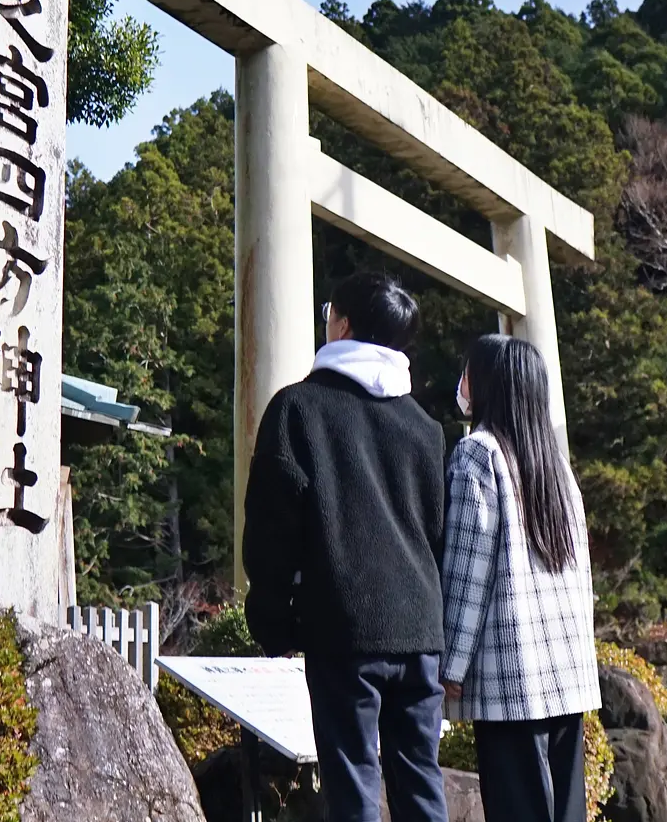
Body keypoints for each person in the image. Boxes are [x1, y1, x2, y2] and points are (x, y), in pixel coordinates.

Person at [242, 272, 448, 822]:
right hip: (422, 629)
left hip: (346, 626)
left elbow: (271, 528)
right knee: (421, 780)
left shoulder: (298, 409)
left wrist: (273, 621)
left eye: (331, 309)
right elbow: (435, 533)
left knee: (353, 782)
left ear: (345, 324)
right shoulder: (426, 429)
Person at [441, 333, 599, 822]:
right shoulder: (557, 467)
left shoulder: (478, 454)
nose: (461, 383)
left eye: (467, 372)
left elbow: (467, 573)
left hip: (511, 677)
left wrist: (451, 665)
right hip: (567, 675)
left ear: (488, 384)